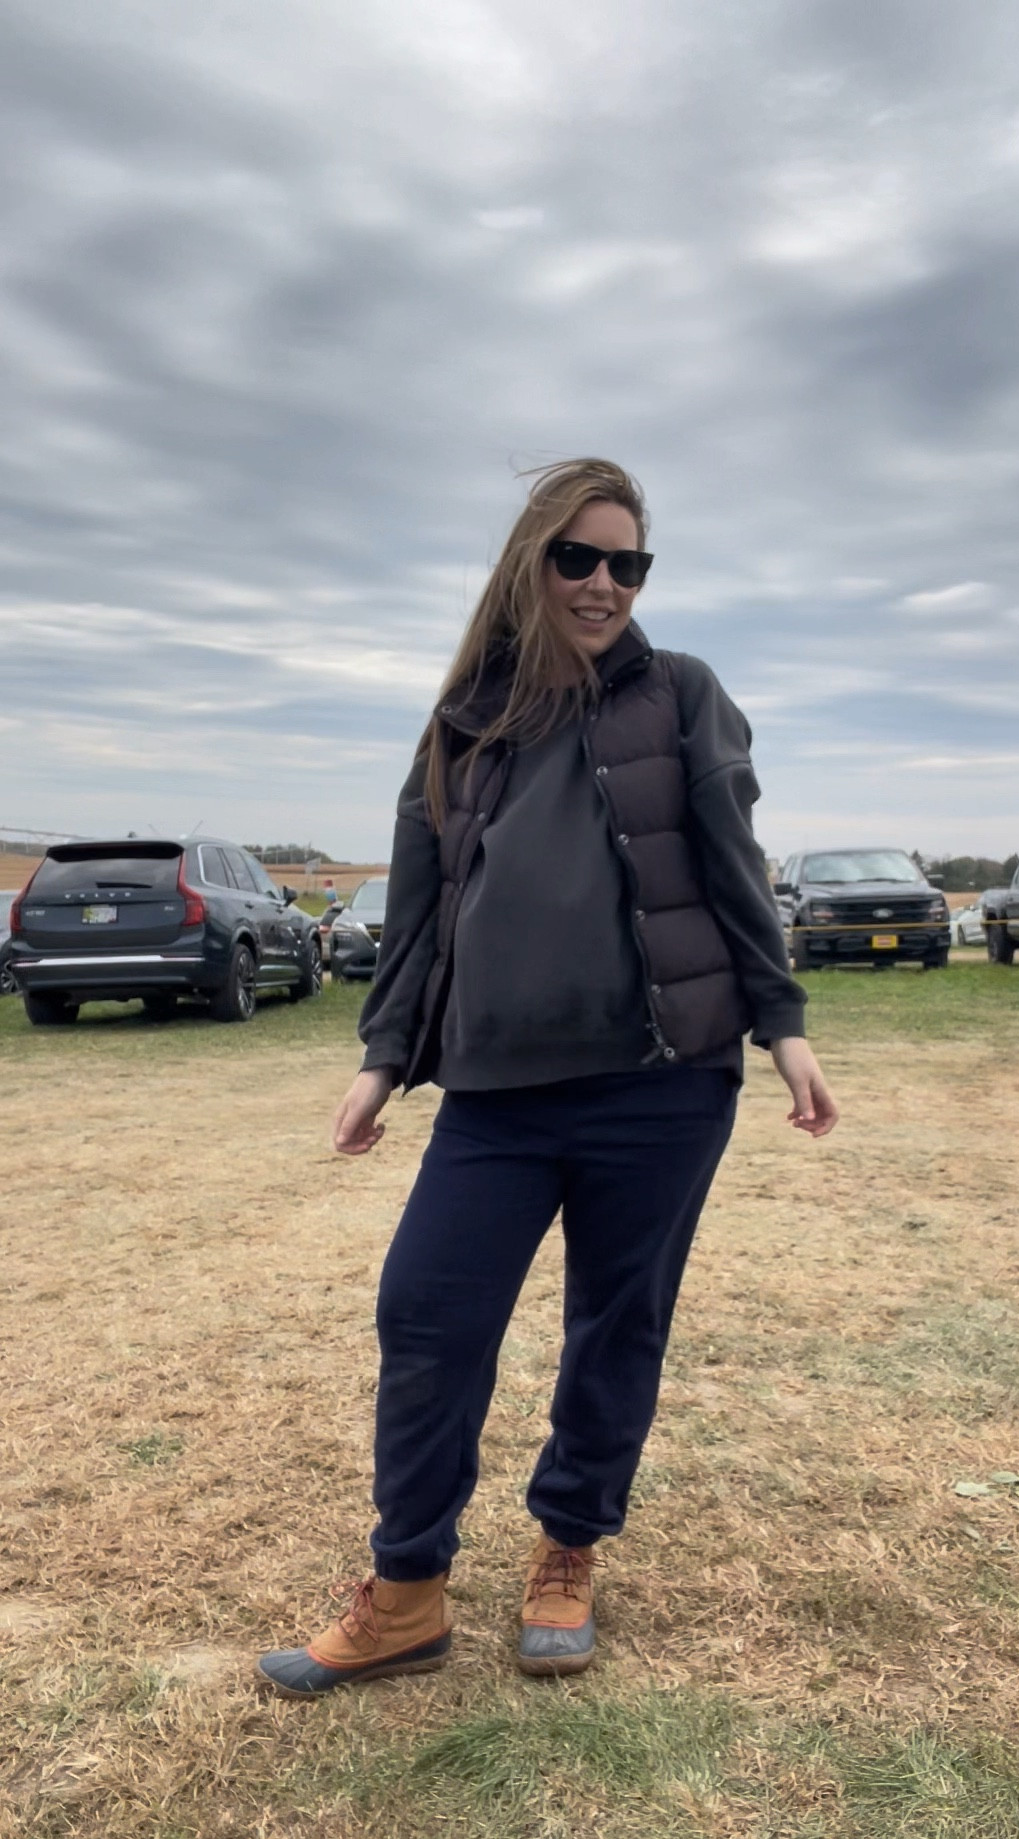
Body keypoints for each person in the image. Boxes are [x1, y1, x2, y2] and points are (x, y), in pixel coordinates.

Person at [256, 458, 837, 1698]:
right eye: (579, 556)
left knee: (614, 1325)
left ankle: (568, 1547)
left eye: (628, 563)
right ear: (531, 562)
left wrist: (782, 1028)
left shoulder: (681, 696)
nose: (603, 583)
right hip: (496, 1095)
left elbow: (735, 869)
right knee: (425, 1316)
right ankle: (405, 1590)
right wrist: (381, 1056)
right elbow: (420, 918)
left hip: (664, 1081)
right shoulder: (464, 719)